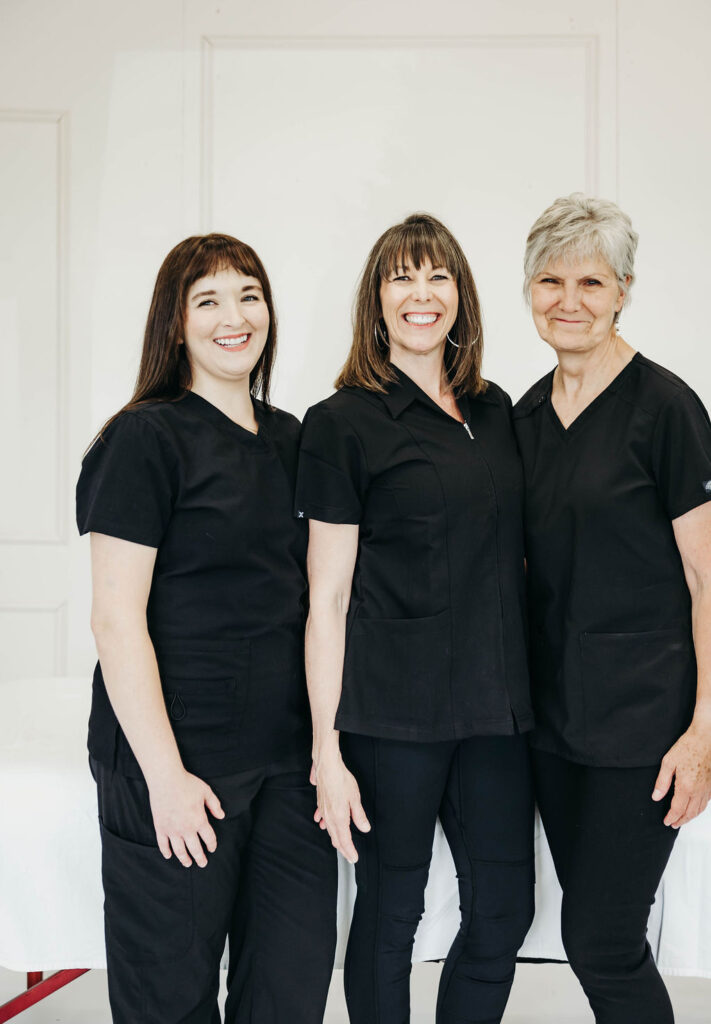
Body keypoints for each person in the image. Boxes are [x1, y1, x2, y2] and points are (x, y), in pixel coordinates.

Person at [76, 233, 337, 1023]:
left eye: (249, 294)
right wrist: (165, 779)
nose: (235, 316)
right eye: (209, 300)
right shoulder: (144, 438)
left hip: (286, 767)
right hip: (179, 764)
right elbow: (115, 619)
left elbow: (324, 598)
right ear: (176, 324)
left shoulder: (296, 440)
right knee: (170, 1004)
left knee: (286, 995)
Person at [295, 213, 535, 1024]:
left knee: (503, 909)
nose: (420, 293)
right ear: (377, 301)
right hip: (391, 715)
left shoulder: (495, 409)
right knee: (390, 915)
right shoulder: (341, 423)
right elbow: (325, 599)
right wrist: (326, 747)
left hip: (495, 713)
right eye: (402, 277)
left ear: (461, 298)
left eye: (437, 277)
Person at [513, 193, 711, 1023]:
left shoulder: (667, 411)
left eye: (590, 282)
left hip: (645, 727)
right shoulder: (520, 418)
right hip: (553, 726)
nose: (568, 301)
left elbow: (707, 580)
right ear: (528, 291)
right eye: (549, 280)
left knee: (599, 936)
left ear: (624, 290)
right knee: (594, 938)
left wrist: (704, 731)